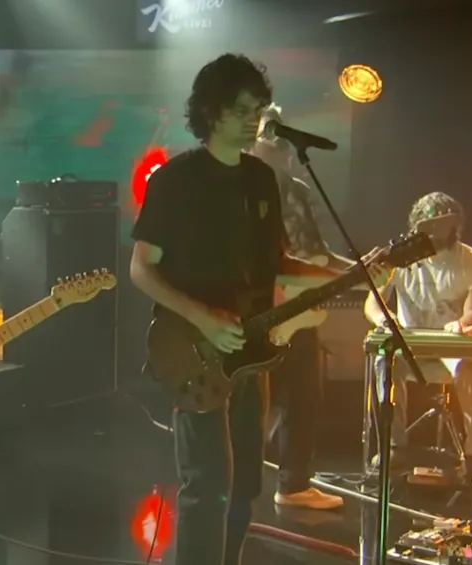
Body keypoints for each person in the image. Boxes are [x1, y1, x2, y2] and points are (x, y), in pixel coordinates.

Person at [130, 53, 389, 565]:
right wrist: (204, 319)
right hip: (193, 351)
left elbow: (279, 264)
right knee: (208, 484)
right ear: (211, 111)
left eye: (258, 109)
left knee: (246, 483)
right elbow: (141, 268)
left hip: (252, 349)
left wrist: (354, 275)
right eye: (242, 109)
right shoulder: (176, 180)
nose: (254, 119)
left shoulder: (260, 179)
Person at [250, 105, 350, 510]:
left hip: (299, 309)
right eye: (267, 138)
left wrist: (358, 269)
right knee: (254, 401)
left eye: (280, 141)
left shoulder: (297, 190)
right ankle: (236, 485)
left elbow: (315, 253)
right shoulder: (238, 188)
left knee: (305, 397)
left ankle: (293, 485)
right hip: (255, 309)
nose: (276, 147)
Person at [364, 192, 472, 478]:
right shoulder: (399, 260)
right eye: (432, 224)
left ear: (455, 224)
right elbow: (372, 302)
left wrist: (462, 324)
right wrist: (384, 319)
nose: (438, 230)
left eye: (445, 223)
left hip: (451, 348)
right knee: (384, 364)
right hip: (409, 346)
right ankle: (393, 446)